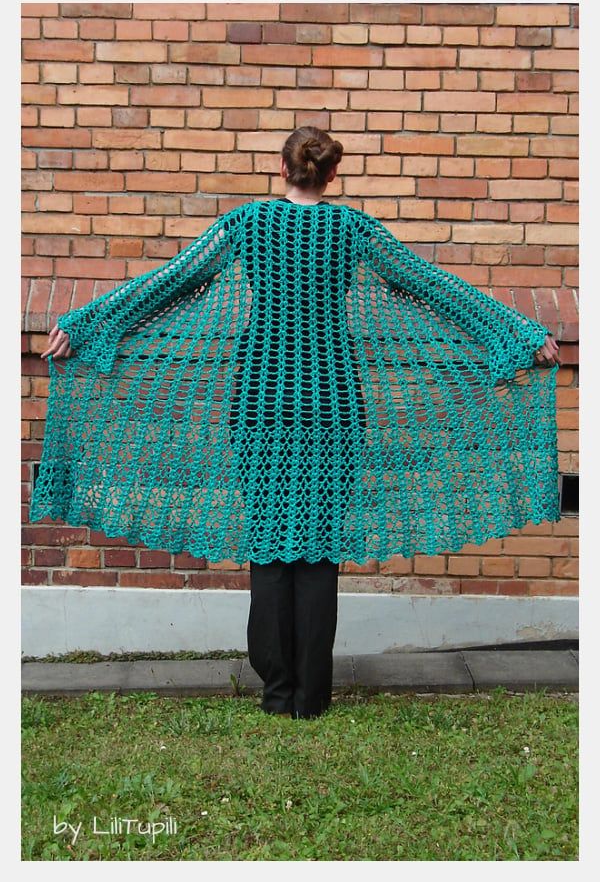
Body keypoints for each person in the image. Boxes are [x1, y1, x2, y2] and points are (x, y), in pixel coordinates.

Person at [36, 126, 561, 722]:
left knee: (270, 544)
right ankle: (311, 698)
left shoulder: (246, 224)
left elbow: (168, 283)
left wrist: (88, 323)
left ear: (283, 168)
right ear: (330, 175)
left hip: (261, 398)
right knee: (316, 551)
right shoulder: (353, 229)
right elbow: (433, 287)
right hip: (334, 402)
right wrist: (516, 331)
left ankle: (277, 691)